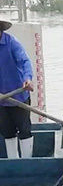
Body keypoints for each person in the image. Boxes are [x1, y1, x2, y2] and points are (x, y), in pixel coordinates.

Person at [0, 19, 34, 159]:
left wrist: (27, 78)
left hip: (18, 96)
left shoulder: (11, 43)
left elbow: (25, 61)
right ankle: (13, 164)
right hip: (1, 100)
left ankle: (27, 163)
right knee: (7, 132)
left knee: (24, 130)